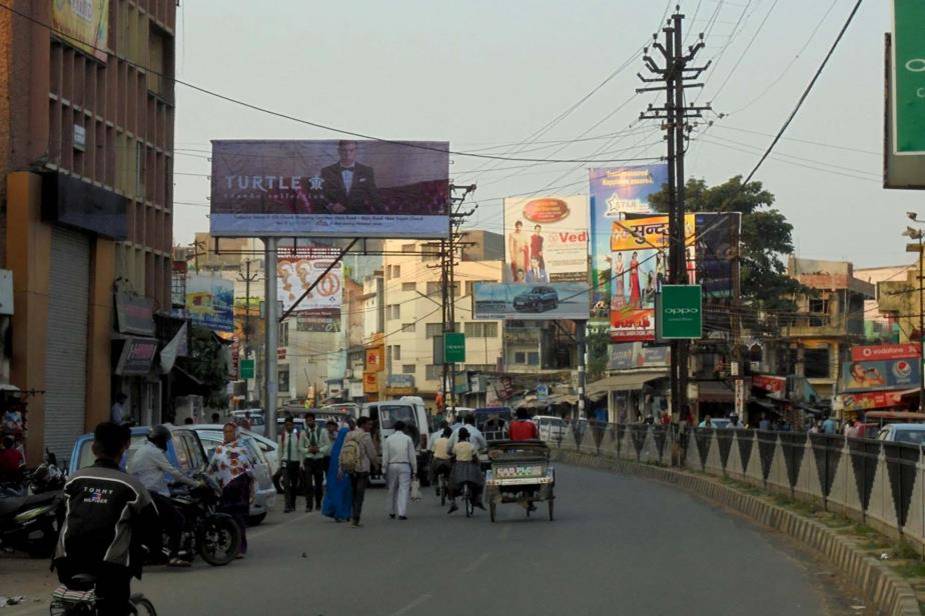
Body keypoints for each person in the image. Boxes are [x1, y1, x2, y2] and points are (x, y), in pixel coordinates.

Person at [53, 422, 159, 616]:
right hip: (110, 567)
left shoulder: (74, 480)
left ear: (94, 448)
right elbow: (152, 525)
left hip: (67, 562)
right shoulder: (132, 486)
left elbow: (61, 515)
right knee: (113, 606)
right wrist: (154, 550)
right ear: (125, 446)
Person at [126, 425, 198, 567]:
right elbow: (174, 472)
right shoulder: (153, 452)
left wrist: (169, 483)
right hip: (152, 495)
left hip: (144, 493)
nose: (166, 443)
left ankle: (160, 552)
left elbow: (150, 474)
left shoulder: (143, 450)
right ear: (159, 440)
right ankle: (174, 556)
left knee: (165, 521)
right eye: (165, 440)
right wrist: (195, 483)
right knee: (178, 520)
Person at [207, 423, 254, 558]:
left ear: (235, 433)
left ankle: (240, 548)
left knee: (239, 519)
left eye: (230, 432)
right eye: (225, 432)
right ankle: (228, 546)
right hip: (226, 490)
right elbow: (212, 468)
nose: (227, 434)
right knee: (226, 519)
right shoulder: (219, 449)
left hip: (240, 489)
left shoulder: (242, 448)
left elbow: (250, 467)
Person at [321, 140, 380, 214]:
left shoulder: (367, 170)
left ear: (356, 151)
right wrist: (331, 205)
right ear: (338, 151)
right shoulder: (326, 171)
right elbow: (321, 194)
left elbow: (374, 195)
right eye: (344, 150)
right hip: (335, 214)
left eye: (351, 150)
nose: (347, 154)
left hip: (359, 215)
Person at [344, 416, 378, 527]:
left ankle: (351, 515)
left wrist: (341, 467)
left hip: (351, 467)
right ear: (363, 424)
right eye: (369, 424)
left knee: (353, 493)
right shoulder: (366, 436)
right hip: (362, 468)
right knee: (359, 495)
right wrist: (376, 465)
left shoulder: (349, 434)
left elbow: (343, 451)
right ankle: (355, 518)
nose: (370, 426)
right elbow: (371, 453)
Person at [382, 420, 417, 520]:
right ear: (404, 429)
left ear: (394, 428)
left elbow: (385, 456)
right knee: (404, 489)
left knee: (392, 489)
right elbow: (412, 456)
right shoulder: (408, 439)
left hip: (392, 465)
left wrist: (384, 469)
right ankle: (402, 513)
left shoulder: (389, 439)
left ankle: (391, 511)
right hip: (405, 465)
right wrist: (415, 470)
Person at [447, 428, 484, 514]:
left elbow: (453, 456)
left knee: (451, 484)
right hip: (470, 468)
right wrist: (479, 464)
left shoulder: (456, 446)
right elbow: (475, 458)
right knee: (480, 481)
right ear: (467, 436)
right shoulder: (471, 445)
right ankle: (478, 499)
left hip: (458, 468)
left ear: (459, 436)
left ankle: (453, 502)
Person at [321, 423, 353, 523]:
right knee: (345, 494)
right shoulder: (347, 446)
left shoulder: (335, 447)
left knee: (334, 492)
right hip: (344, 474)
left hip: (333, 476)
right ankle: (344, 513)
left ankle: (334, 511)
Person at [301, 414, 329, 512]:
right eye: (307, 421)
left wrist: (319, 449)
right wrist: (308, 450)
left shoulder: (322, 431)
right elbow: (300, 447)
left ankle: (318, 503)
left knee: (318, 484)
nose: (309, 423)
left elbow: (327, 445)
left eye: (311, 421)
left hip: (319, 460)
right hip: (308, 460)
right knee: (308, 484)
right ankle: (309, 505)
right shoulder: (303, 433)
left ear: (314, 421)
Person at [278, 416, 303, 513]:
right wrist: (280, 463)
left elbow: (300, 450)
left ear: (293, 425)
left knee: (294, 485)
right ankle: (287, 505)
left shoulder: (297, 436)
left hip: (295, 462)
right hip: (285, 462)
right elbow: (280, 451)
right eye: (287, 425)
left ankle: (293, 504)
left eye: (290, 425)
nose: (289, 427)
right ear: (285, 426)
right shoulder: (282, 436)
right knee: (286, 485)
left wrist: (301, 463)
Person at [429, 427, 453, 493]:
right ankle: (449, 485)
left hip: (437, 462)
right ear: (450, 434)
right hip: (447, 462)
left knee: (433, 471)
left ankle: (435, 484)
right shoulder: (450, 442)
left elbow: (432, 451)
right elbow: (453, 453)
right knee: (451, 474)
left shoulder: (437, 441)